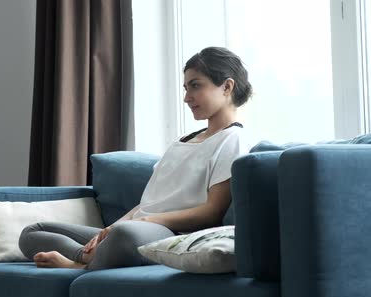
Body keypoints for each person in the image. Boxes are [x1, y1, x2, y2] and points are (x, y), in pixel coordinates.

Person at [19, 46, 253, 270]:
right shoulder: (181, 142)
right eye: (185, 88)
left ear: (226, 87)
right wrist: (112, 226)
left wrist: (142, 224)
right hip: (138, 227)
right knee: (32, 231)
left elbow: (211, 212)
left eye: (195, 86)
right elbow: (148, 203)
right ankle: (85, 257)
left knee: (124, 235)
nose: (186, 98)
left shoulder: (232, 139)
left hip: (170, 233)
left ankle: (76, 267)